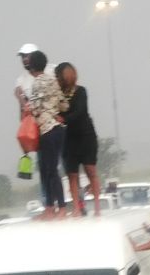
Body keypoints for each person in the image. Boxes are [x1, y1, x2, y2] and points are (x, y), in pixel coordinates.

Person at [24, 51, 68, 220]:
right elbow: (64, 105)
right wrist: (55, 111)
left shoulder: (38, 83)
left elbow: (34, 109)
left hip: (46, 130)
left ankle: (59, 208)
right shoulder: (53, 81)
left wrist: (28, 108)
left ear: (33, 66)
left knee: (49, 171)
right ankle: (51, 208)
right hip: (58, 129)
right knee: (49, 169)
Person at [55, 62, 101, 217]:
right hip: (68, 138)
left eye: (58, 76)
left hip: (85, 135)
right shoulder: (58, 95)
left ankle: (97, 207)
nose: (56, 79)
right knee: (72, 174)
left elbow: (81, 112)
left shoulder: (81, 91)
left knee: (91, 170)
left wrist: (63, 119)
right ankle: (76, 207)